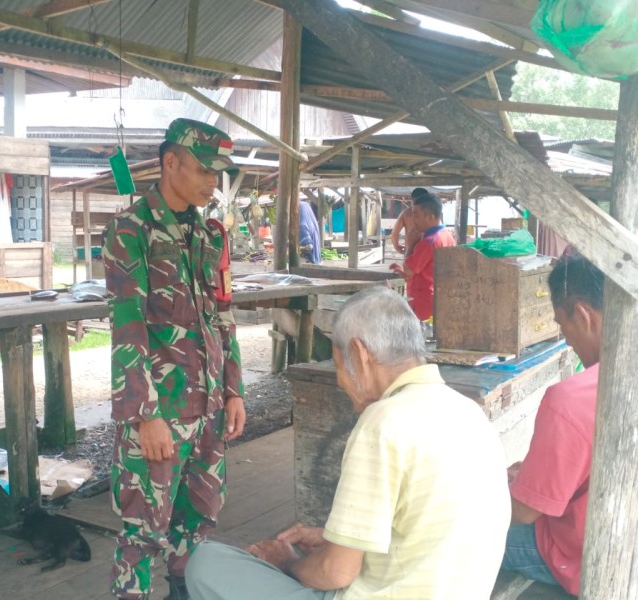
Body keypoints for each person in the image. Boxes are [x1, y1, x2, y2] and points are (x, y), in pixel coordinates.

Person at [186, 286, 511, 599]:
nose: (341, 381)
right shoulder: (469, 412)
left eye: (339, 365)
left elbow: (335, 574)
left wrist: (284, 560)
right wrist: (334, 540)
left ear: (359, 353)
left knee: (205, 562)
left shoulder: (384, 421)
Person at [103, 118, 246, 600]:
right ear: (170, 162)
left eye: (217, 173)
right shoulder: (131, 231)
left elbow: (223, 316)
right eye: (205, 171)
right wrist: (144, 417)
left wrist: (233, 391)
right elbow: (129, 328)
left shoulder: (209, 235)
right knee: (143, 533)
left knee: (198, 526)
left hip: (207, 413)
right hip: (161, 413)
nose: (213, 182)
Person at [502, 251, 604, 596]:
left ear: (581, 314)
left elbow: (525, 511)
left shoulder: (571, 399)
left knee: (464, 531)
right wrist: (534, 475)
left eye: (563, 326)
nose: (568, 341)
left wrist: (502, 486)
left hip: (585, 555)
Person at [389, 192, 455, 321]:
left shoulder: (429, 241)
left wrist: (410, 245)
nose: (413, 221)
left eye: (416, 216)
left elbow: (409, 269)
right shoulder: (447, 235)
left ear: (430, 217)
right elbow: (427, 269)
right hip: (437, 297)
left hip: (422, 301)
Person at [389, 187, 428, 257]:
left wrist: (396, 246)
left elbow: (395, 233)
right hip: (426, 252)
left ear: (412, 199)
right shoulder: (431, 214)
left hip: (410, 252)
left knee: (408, 267)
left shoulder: (406, 213)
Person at [298, 198, 322, 264]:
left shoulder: (302, 225)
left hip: (308, 262)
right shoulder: (312, 222)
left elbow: (308, 247)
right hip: (316, 258)